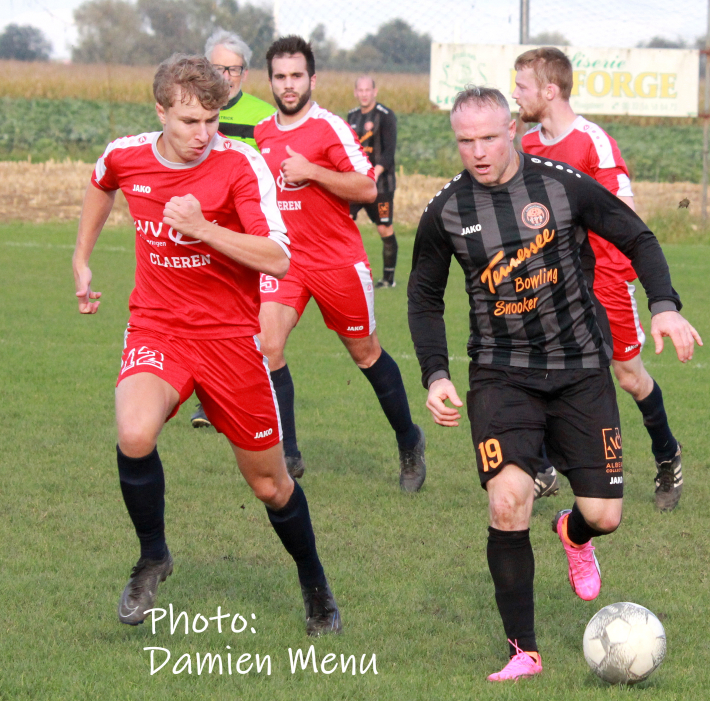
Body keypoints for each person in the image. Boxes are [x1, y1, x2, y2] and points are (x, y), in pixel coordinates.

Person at [407, 86, 701, 681]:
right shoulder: (447, 210)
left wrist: (665, 305)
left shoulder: (562, 186)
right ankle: (524, 651)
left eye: (489, 138)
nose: (478, 152)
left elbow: (637, 237)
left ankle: (572, 531)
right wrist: (435, 373)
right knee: (507, 501)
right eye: (465, 141)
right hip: (500, 372)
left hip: (580, 369)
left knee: (606, 514)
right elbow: (422, 298)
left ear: (512, 127)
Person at [72, 54, 341, 636]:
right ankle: (153, 556)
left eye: (212, 121)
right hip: (158, 326)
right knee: (134, 431)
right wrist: (81, 260)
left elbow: (277, 256)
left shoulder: (240, 166)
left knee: (270, 485)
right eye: (189, 122)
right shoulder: (129, 154)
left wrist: (201, 228)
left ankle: (314, 582)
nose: (203, 135)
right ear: (161, 111)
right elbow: (101, 182)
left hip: (229, 341)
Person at [513, 47, 686, 511]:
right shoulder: (528, 145)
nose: (515, 95)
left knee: (629, 377)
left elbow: (626, 218)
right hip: (551, 283)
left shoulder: (594, 143)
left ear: (550, 91)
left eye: (522, 87)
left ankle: (667, 453)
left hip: (606, 279)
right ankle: (545, 467)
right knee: (542, 367)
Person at [253, 36, 426, 490]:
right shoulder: (262, 133)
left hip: (336, 261)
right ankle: (288, 453)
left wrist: (312, 171)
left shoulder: (329, 128)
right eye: (279, 77)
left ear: (312, 79)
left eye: (296, 76)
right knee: (267, 346)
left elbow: (367, 188)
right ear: (270, 80)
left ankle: (409, 440)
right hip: (287, 262)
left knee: (366, 354)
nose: (288, 85)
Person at [191, 29, 278, 429]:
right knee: (198, 309)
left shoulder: (262, 116)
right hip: (198, 230)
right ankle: (205, 396)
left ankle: (241, 397)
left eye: (234, 69)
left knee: (245, 317)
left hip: (246, 234)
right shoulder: (189, 112)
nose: (226, 76)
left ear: (244, 73)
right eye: (217, 68)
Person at [346, 76, 399, 288]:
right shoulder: (351, 116)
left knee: (384, 229)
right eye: (360, 90)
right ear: (356, 92)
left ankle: (388, 279)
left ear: (374, 92)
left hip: (381, 185)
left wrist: (374, 173)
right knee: (344, 221)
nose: (364, 93)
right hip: (356, 184)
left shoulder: (385, 116)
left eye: (368, 90)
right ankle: (345, 274)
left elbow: (389, 152)